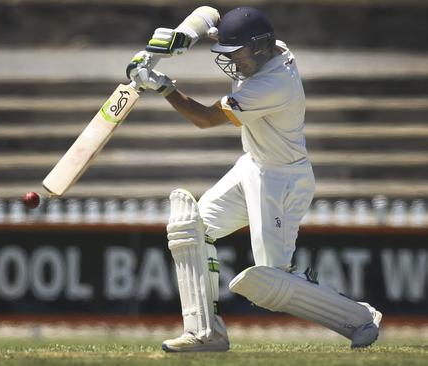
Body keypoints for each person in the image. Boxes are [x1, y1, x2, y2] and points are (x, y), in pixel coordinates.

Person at [128, 6, 382, 352]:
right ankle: (206, 334)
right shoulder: (266, 47)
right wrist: (183, 35)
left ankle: (359, 317)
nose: (234, 64)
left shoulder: (271, 84)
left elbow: (204, 119)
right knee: (191, 229)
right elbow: (210, 13)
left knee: (270, 283)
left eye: (238, 56)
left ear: (260, 49)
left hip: (282, 181)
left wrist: (162, 86)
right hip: (253, 165)